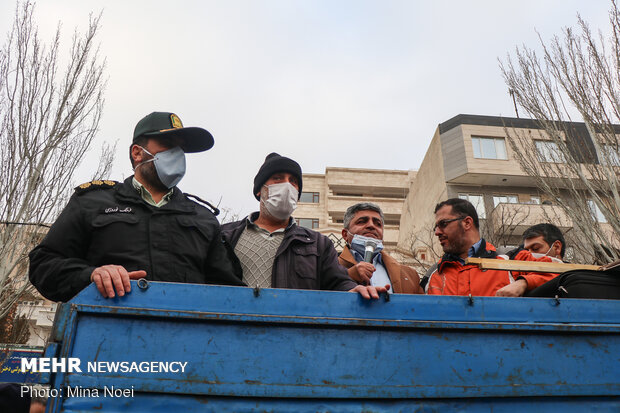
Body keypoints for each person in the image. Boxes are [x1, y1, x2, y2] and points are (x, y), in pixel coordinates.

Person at [29, 112, 244, 302]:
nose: (177, 154)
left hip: (188, 341)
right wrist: (91, 275)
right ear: (137, 152)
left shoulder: (203, 218)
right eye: (168, 144)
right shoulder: (92, 203)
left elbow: (228, 292)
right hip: (105, 338)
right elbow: (43, 265)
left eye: (181, 148)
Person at [221, 153, 387, 299]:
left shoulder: (318, 244)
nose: (287, 186)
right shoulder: (226, 236)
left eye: (293, 181)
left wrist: (353, 290)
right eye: (278, 178)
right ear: (259, 190)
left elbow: (338, 282)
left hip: (294, 331)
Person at [426, 198, 557, 297]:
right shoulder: (433, 275)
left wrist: (523, 283)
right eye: (436, 227)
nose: (437, 232)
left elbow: (560, 273)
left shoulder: (510, 258)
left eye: (443, 224)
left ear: (467, 223)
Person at [338, 203, 423, 294]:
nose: (371, 226)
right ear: (345, 234)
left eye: (378, 224)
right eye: (362, 221)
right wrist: (350, 275)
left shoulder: (410, 275)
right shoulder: (330, 267)